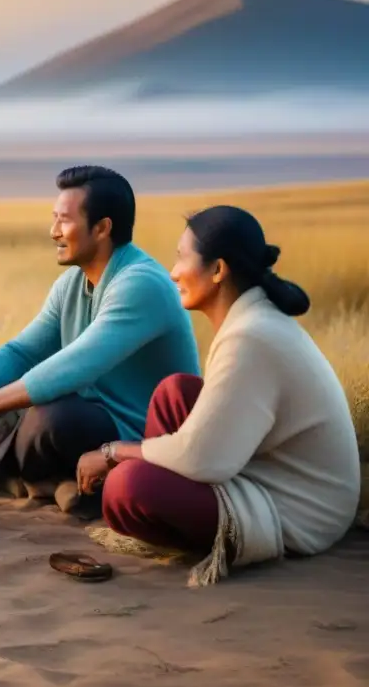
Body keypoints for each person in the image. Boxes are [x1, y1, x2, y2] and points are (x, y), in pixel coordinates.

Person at [77, 205, 360, 585]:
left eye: (181, 259)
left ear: (217, 270)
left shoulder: (251, 338)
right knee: (174, 393)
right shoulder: (252, 320)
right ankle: (178, 507)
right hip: (265, 469)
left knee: (126, 488)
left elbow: (199, 458)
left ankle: (191, 533)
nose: (173, 272)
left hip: (300, 512)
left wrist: (114, 451)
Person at [0, 165, 201, 507]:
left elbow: (74, 367)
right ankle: (52, 481)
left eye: (64, 220)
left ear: (102, 228)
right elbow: (24, 351)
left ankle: (22, 474)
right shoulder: (72, 284)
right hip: (89, 419)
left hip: (136, 435)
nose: (53, 232)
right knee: (7, 394)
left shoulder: (141, 283)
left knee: (46, 418)